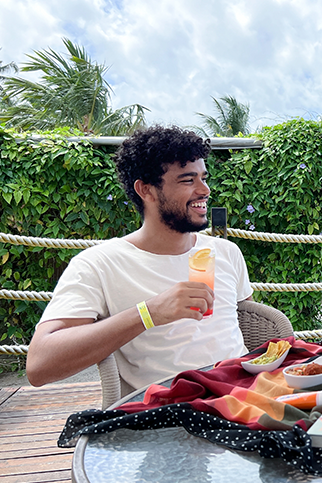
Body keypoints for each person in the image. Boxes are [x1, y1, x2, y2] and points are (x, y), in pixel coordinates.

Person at [26, 125, 253, 394]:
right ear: (146, 190)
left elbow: (249, 322)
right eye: (187, 180)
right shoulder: (99, 264)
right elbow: (39, 365)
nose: (204, 190)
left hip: (247, 396)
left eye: (204, 178)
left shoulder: (226, 252)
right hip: (172, 413)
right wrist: (149, 313)